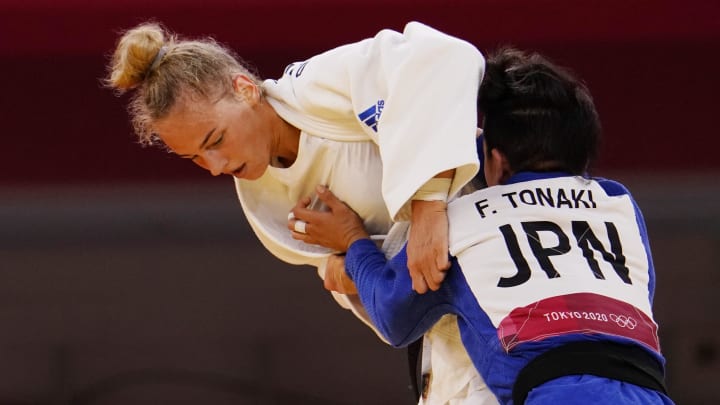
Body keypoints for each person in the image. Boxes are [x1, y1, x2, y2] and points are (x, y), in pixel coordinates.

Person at [105, 21, 496, 404]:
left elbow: (448, 57)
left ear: (244, 90)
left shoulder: (317, 86)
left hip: (506, 259)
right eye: (194, 157)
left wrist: (426, 202)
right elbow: (376, 293)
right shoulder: (263, 201)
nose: (216, 166)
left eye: (216, 140)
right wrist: (352, 262)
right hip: (448, 333)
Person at [291, 47, 675, 404]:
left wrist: (354, 242)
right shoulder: (619, 203)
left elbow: (394, 314)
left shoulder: (464, 218)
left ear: (495, 160)